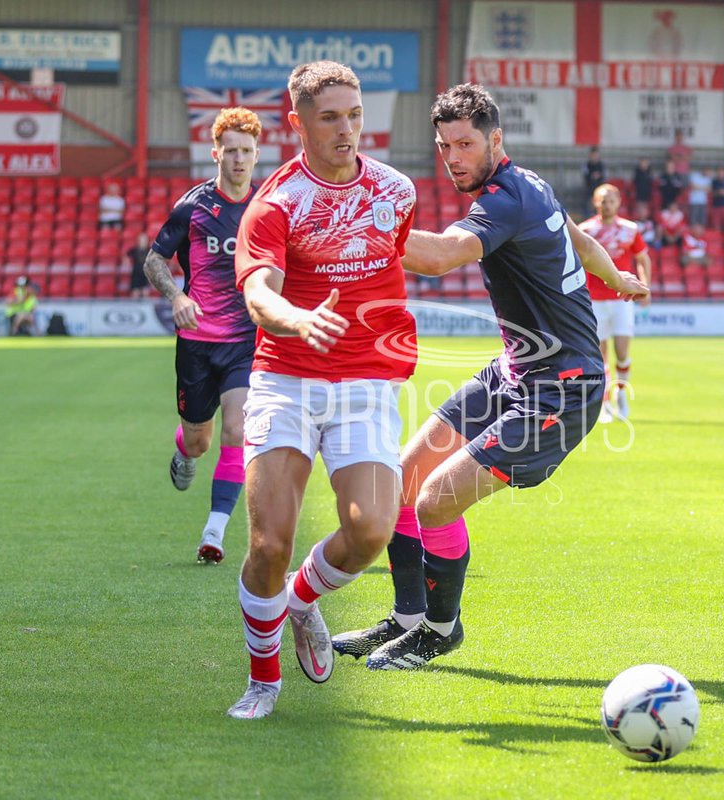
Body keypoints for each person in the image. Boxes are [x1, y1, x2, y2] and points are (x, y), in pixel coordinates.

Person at [331, 83, 648, 671]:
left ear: (495, 140)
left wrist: (354, 230)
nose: (454, 157)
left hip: (563, 388)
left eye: (466, 144)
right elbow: (578, 236)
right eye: (445, 145)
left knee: (434, 501)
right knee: (402, 478)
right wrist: (617, 276)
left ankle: (439, 631)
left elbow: (438, 256)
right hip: (515, 372)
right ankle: (406, 618)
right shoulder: (530, 185)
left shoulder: (504, 199)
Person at [226, 61, 418, 719]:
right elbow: (257, 294)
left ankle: (301, 600)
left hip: (366, 381)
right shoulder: (275, 203)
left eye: (355, 114)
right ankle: (262, 681)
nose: (347, 129)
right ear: (298, 123)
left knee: (369, 534)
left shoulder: (396, 190)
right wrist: (299, 319)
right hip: (285, 379)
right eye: (331, 117)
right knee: (268, 546)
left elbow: (400, 254)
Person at [142, 108, 263, 566]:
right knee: (199, 441)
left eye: (246, 151)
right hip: (196, 341)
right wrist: (176, 295)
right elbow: (155, 260)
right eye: (230, 150)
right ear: (215, 153)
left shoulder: (266, 206)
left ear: (256, 155)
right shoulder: (192, 207)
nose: (238, 159)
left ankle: (214, 531)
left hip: (245, 342)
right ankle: (183, 450)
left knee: (238, 428)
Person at [579, 183, 652, 422]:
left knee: (622, 352)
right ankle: (605, 403)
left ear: (618, 202)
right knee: (599, 357)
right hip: (594, 301)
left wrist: (645, 286)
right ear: (595, 202)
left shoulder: (630, 230)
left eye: (610, 200)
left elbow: (642, 258)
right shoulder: (585, 230)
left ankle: (621, 393)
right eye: (602, 199)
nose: (606, 204)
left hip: (622, 300)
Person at [126, 232, 152, 298]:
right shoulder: (134, 250)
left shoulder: (149, 250)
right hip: (136, 274)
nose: (143, 242)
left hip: (145, 274)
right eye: (142, 240)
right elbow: (126, 256)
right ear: (138, 241)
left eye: (145, 240)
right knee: (135, 293)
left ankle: (145, 307)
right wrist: (127, 262)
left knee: (145, 292)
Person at [582, 145, 606, 216]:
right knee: (589, 206)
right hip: (589, 189)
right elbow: (585, 176)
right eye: (593, 155)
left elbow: (603, 176)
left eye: (596, 155)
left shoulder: (601, 165)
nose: (595, 157)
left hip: (600, 190)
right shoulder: (587, 165)